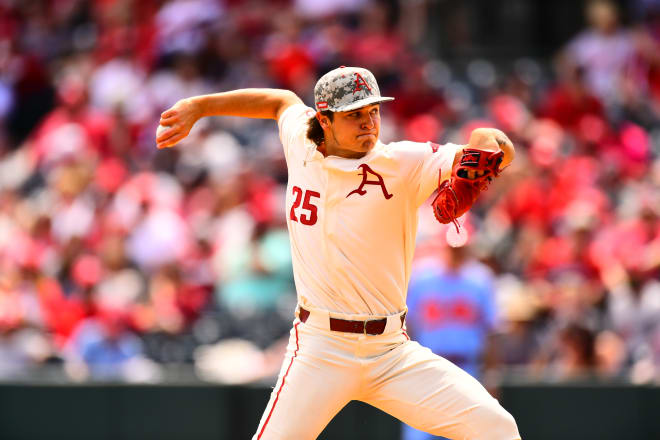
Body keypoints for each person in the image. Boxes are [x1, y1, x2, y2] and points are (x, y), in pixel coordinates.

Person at [156, 66, 520, 440]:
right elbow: (279, 101)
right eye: (354, 114)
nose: (368, 123)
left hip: (390, 350)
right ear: (324, 120)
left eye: (373, 111)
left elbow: (496, 146)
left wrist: (486, 150)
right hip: (321, 349)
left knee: (497, 427)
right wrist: (199, 106)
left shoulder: (403, 163)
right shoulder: (300, 140)